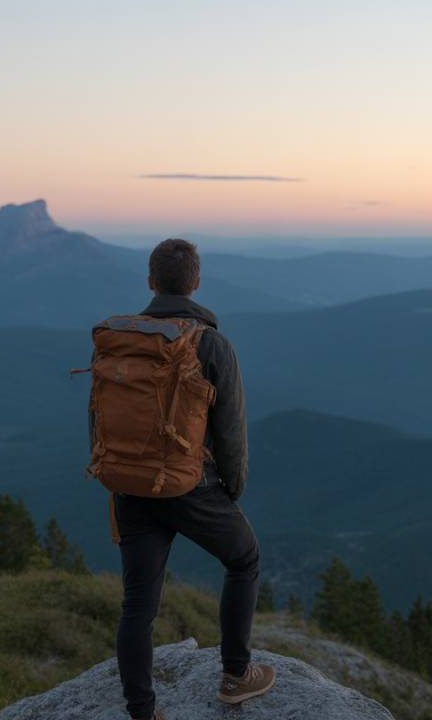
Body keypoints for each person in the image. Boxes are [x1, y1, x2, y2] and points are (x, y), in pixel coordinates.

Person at [102, 238, 275, 720]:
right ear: (196, 282)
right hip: (188, 485)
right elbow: (231, 432)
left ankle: (142, 710)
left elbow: (102, 418)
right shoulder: (210, 344)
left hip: (130, 485)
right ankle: (236, 676)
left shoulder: (122, 338)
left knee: (138, 603)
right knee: (244, 558)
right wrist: (230, 492)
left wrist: (117, 474)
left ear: (150, 282)